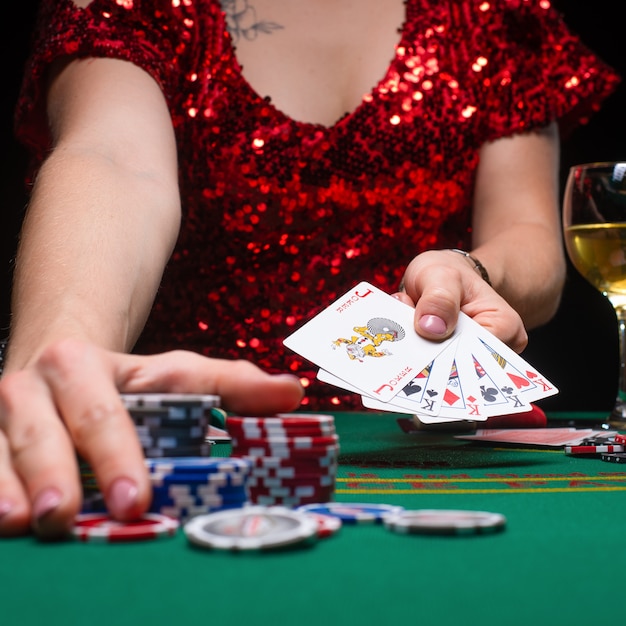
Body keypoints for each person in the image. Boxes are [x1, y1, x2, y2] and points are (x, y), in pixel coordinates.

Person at [0, 0, 619, 539]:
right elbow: (114, 160)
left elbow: (529, 235)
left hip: (432, 455)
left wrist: (469, 269)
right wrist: (59, 364)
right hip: (202, 454)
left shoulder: (492, 12)